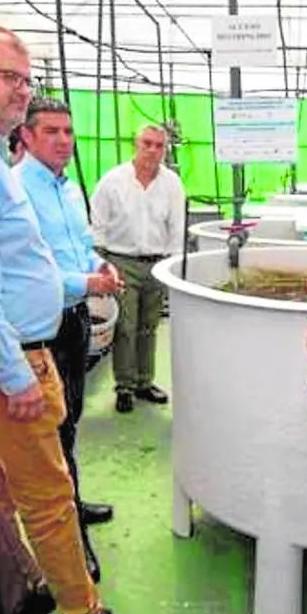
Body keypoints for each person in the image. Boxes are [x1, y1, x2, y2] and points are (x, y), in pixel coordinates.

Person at [0, 22, 153, 614]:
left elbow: (16, 269)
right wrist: (18, 377)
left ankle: (8, 595)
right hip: (2, 360)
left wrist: (80, 282)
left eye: (27, 80)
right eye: (9, 78)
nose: (23, 92)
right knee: (49, 495)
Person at [15, 97, 122, 582]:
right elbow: (28, 272)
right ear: (27, 136)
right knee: (49, 434)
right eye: (51, 131)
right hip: (37, 328)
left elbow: (78, 244)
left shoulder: (69, 190)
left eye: (67, 132)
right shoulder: (16, 191)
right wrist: (86, 283)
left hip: (71, 320)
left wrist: (98, 264)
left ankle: (72, 506)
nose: (63, 140)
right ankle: (69, 543)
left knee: (70, 420)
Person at [90, 124, 186, 413]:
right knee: (125, 326)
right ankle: (125, 386)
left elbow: (177, 227)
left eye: (159, 145)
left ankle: (145, 382)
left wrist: (173, 267)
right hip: (121, 262)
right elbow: (98, 224)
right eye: (147, 143)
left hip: (157, 263)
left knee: (149, 326)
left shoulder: (172, 184)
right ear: (136, 144)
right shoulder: (112, 181)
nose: (153, 150)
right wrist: (101, 264)